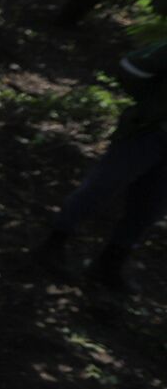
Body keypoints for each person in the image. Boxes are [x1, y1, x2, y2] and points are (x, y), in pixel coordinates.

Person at [31, 40, 167, 292]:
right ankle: (53, 244)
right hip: (147, 133)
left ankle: (110, 263)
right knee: (101, 187)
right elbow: (132, 66)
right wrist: (152, 107)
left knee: (150, 208)